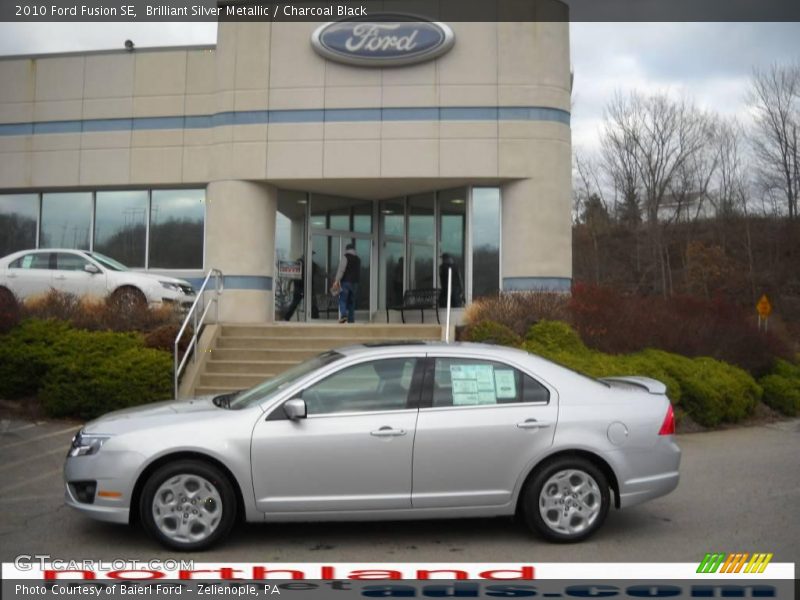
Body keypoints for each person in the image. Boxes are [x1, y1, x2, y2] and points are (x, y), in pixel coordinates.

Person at [332, 243, 361, 323]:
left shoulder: (345, 257)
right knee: (352, 302)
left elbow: (341, 269)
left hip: (346, 282)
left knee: (342, 299)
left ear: (347, 249)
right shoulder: (358, 259)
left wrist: (336, 280)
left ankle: (344, 315)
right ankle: (351, 320)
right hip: (355, 283)